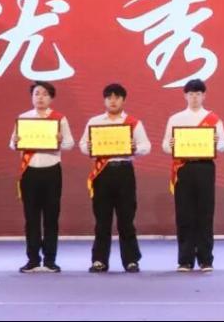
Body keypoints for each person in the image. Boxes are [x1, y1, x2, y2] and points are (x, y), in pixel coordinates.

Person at [79, 83, 151, 273]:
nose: (113, 101)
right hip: (102, 173)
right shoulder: (95, 121)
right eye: (109, 97)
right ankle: (99, 260)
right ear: (104, 100)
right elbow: (83, 145)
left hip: (124, 171)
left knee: (126, 219)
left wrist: (134, 148)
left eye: (117, 97)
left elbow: (146, 146)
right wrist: (90, 147)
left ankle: (131, 260)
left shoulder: (133, 123)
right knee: (102, 220)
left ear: (123, 100)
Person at [162, 79, 224, 273]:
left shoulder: (213, 119)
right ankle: (185, 260)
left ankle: (206, 259)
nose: (194, 97)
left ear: (204, 96)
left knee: (205, 214)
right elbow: (165, 145)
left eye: (198, 94)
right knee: (184, 214)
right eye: (191, 94)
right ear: (185, 95)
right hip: (183, 168)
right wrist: (171, 145)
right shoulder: (175, 119)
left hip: (205, 167)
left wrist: (216, 142)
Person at [10, 81, 74, 273]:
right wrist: (16, 141)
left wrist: (60, 141)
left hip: (52, 171)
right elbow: (12, 145)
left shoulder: (59, 119)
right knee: (31, 218)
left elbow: (70, 144)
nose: (40, 97)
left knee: (51, 218)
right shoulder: (24, 118)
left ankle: (50, 260)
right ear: (32, 97)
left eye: (45, 94)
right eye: (37, 93)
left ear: (51, 98)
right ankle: (32, 259)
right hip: (29, 171)